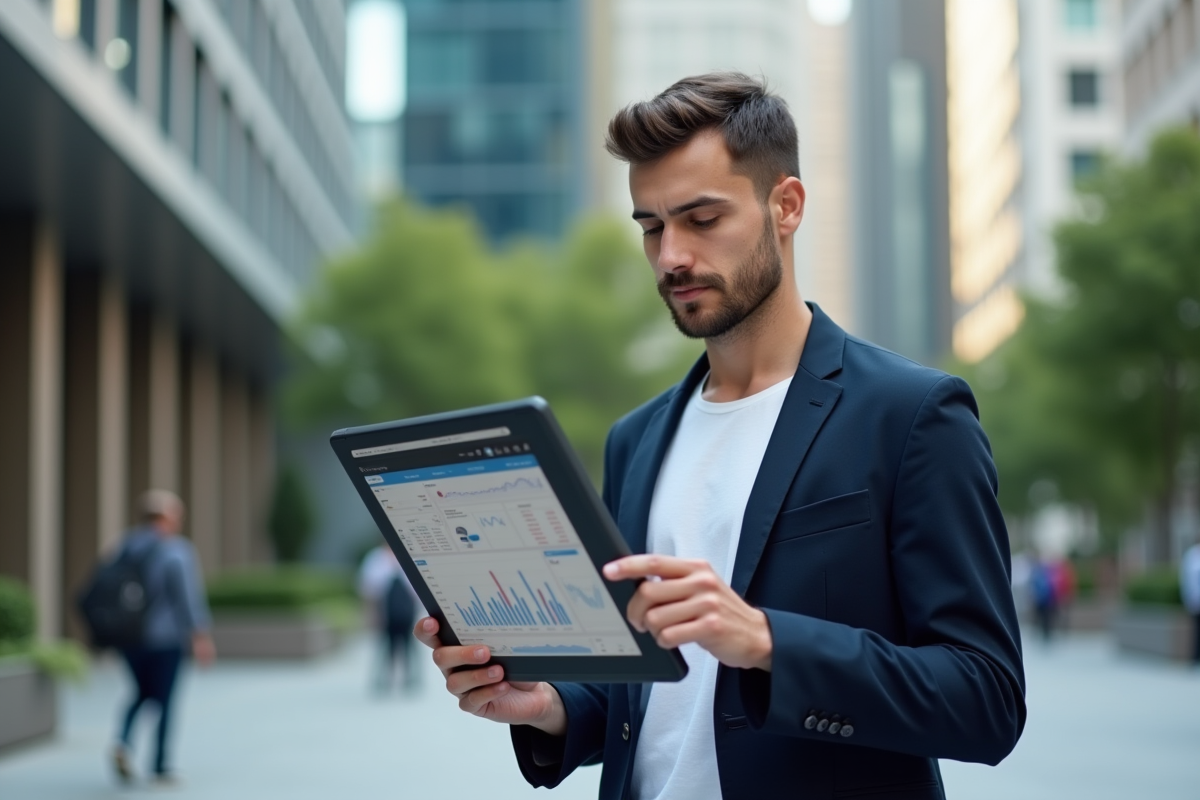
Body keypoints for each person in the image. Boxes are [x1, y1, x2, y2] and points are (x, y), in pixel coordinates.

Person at [416, 73, 1026, 799]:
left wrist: (768, 641)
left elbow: (986, 699)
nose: (670, 255)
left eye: (701, 219)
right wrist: (547, 705)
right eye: (650, 226)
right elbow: (645, 693)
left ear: (786, 206)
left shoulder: (913, 415)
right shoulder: (635, 439)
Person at [111, 489, 214, 785]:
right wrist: (201, 637)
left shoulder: (126, 547)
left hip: (129, 638)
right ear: (165, 517)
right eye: (177, 513)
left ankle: (122, 742)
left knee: (141, 692)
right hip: (166, 639)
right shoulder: (176, 550)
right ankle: (160, 766)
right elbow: (187, 598)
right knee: (165, 700)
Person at [358, 544, 420, 692]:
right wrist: (372, 613)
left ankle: (410, 679)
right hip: (386, 613)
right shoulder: (376, 558)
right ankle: (383, 679)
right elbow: (368, 589)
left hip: (406, 614)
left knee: (408, 647)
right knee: (385, 647)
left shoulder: (410, 555)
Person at [1181, 538, 1200, 666]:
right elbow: (1188, 580)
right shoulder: (1192, 556)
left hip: (1194, 598)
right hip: (1196, 600)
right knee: (1196, 631)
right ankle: (1195, 658)